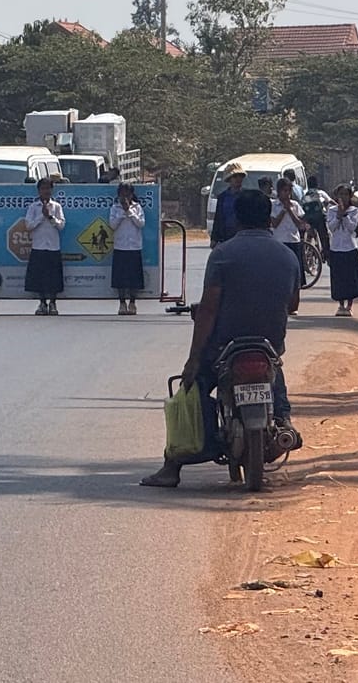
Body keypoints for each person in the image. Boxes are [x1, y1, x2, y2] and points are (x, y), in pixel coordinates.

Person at [141, 187, 302, 488]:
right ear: (268, 219)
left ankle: (172, 466)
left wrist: (193, 359)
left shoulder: (223, 254)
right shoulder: (288, 256)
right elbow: (292, 304)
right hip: (268, 345)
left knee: (194, 386)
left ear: (236, 219)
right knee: (275, 374)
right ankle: (285, 422)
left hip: (224, 347)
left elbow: (209, 309)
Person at [325, 185, 358, 317]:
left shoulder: (354, 211)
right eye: (340, 194)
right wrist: (338, 215)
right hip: (336, 247)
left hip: (350, 247)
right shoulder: (331, 210)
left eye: (345, 194)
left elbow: (351, 227)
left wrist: (345, 215)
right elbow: (332, 227)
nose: (343, 197)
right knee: (339, 278)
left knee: (351, 278)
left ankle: (349, 305)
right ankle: (340, 305)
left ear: (349, 197)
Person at [26, 175, 66, 315]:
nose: (46, 191)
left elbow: (61, 225)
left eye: (48, 188)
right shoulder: (33, 207)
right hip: (38, 246)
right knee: (39, 278)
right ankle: (42, 303)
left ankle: (53, 303)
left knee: (53, 278)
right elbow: (28, 225)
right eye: (43, 188)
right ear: (39, 190)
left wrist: (50, 216)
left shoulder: (56, 206)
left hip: (53, 246)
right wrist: (41, 216)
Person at [110, 182, 147, 315]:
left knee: (134, 278)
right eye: (122, 194)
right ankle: (122, 303)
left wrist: (129, 211)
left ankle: (132, 302)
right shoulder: (115, 208)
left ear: (132, 195)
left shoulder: (137, 207)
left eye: (127, 194)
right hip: (120, 246)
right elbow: (112, 225)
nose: (125, 197)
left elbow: (141, 223)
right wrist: (122, 213)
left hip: (134, 246)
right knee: (120, 278)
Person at [269, 177, 308, 295]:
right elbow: (274, 224)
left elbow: (300, 224)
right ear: (279, 191)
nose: (287, 194)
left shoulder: (295, 205)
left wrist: (290, 210)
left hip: (293, 241)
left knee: (295, 274)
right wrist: (283, 210)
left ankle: (294, 297)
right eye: (284, 191)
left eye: (289, 191)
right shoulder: (273, 205)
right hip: (279, 242)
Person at [210, 163, 246, 245]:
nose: (238, 179)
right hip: (226, 235)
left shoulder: (247, 196)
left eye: (240, 176)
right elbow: (218, 218)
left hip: (242, 235)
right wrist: (214, 238)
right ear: (229, 179)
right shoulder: (222, 197)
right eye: (235, 176)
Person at [301, 176, 333, 258]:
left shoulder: (305, 194)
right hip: (320, 218)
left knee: (309, 236)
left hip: (309, 219)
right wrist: (338, 205)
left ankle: (308, 253)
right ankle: (327, 254)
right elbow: (330, 201)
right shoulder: (321, 193)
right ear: (317, 184)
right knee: (324, 237)